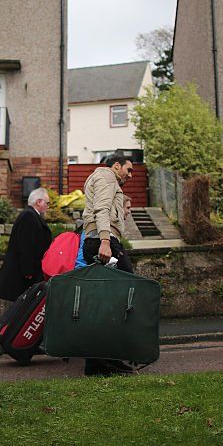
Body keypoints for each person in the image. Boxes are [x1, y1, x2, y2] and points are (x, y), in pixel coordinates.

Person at [82, 155, 135, 376]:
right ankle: (102, 363)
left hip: (102, 241)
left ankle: (102, 362)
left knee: (109, 304)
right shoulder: (106, 176)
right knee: (116, 302)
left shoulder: (107, 179)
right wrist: (105, 241)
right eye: (128, 170)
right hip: (102, 242)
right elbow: (101, 209)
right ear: (116, 166)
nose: (130, 175)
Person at [0, 187, 53, 301]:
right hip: (25, 273)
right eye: (47, 203)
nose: (48, 206)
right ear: (39, 202)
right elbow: (26, 245)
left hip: (27, 271)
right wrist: (27, 270)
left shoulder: (31, 215)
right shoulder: (29, 216)